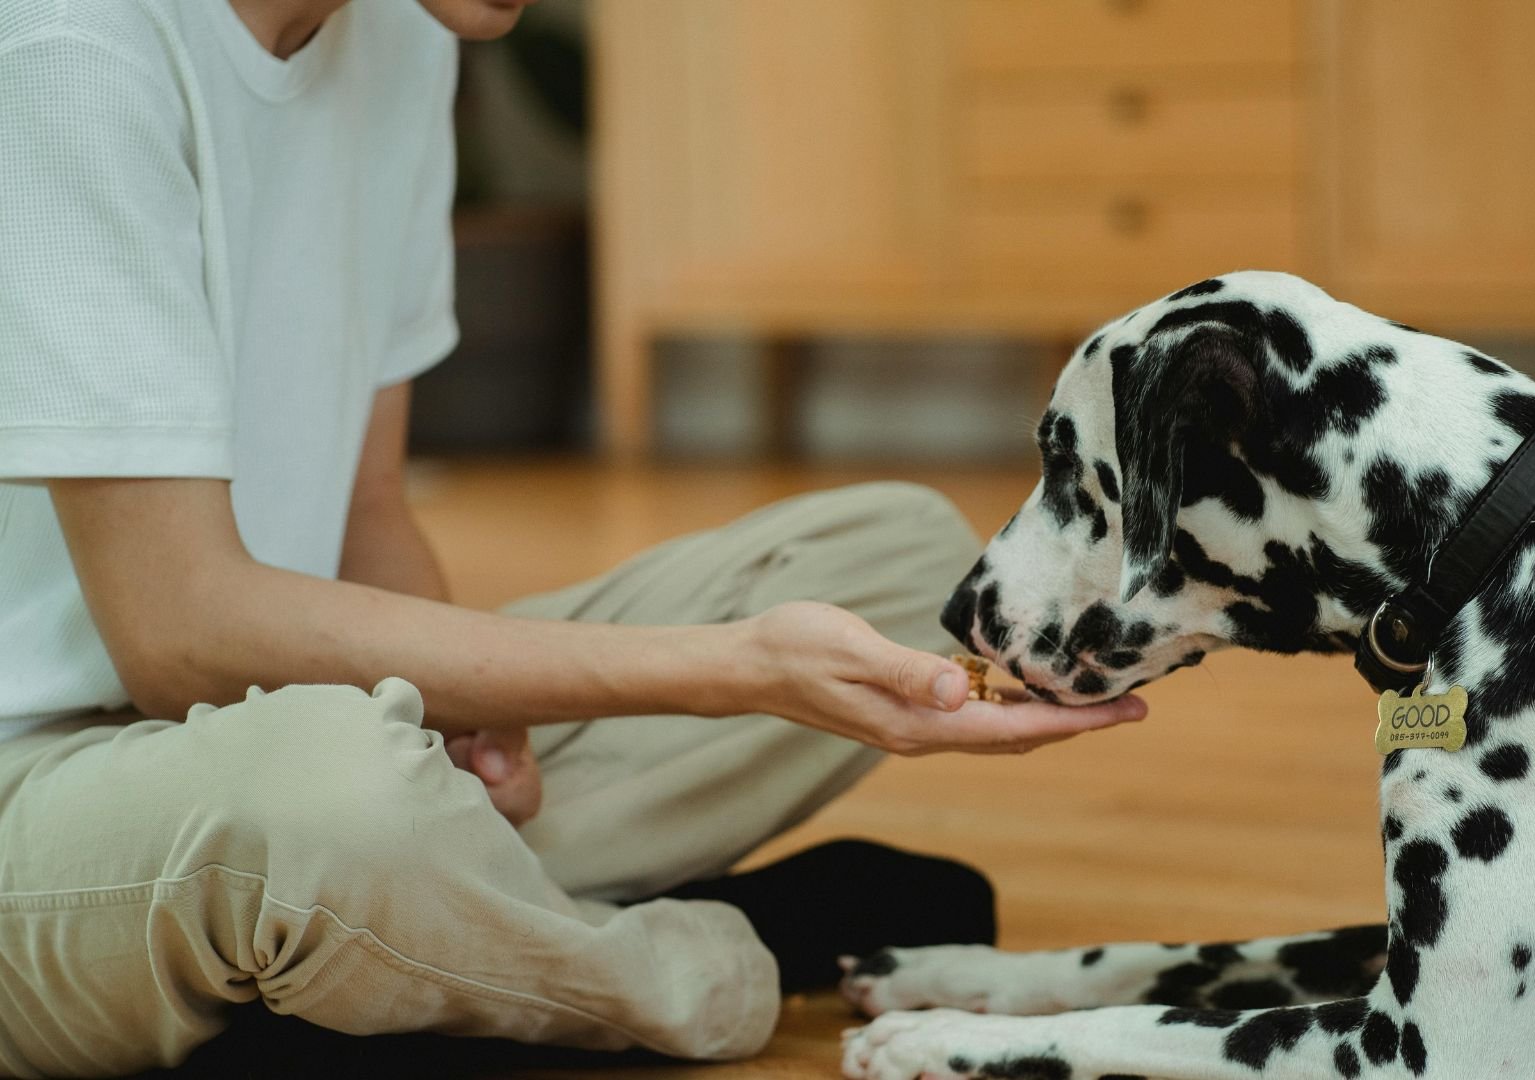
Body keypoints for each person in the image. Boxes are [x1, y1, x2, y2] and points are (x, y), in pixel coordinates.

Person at [0, 0, 1148, 1073]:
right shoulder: (72, 53)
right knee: (337, 801)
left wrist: (466, 722)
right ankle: (706, 960)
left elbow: (368, 508)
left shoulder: (402, 39)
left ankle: (422, 949)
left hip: (261, 725)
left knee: (898, 560)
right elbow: (178, 630)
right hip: (45, 798)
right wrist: (735, 671)